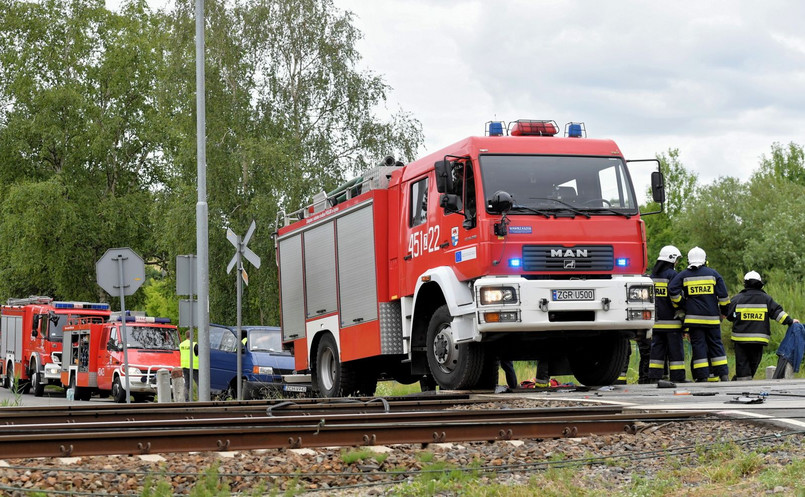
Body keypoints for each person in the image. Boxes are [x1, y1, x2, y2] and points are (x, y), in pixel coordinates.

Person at [668, 247, 731, 382]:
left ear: (689, 260)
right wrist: (724, 312)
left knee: (699, 346)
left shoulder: (684, 275)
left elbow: (672, 290)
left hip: (694, 320)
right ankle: (724, 375)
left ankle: (702, 376)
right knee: (716, 345)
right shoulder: (713, 274)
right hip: (713, 319)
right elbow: (724, 297)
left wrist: (682, 304)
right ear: (704, 259)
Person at [726, 271, 799, 380]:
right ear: (760, 283)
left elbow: (729, 315)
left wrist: (738, 316)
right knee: (753, 363)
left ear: (745, 283)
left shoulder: (737, 299)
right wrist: (790, 321)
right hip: (758, 340)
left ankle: (740, 382)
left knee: (742, 364)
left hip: (740, 340)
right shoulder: (766, 299)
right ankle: (743, 382)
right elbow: (778, 314)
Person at [648, 245, 686, 383]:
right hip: (672, 321)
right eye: (677, 260)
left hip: (656, 322)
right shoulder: (673, 275)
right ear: (672, 259)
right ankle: (678, 378)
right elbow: (676, 295)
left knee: (657, 351)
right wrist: (683, 306)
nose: (677, 263)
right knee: (675, 351)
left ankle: (654, 377)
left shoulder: (652, 276)